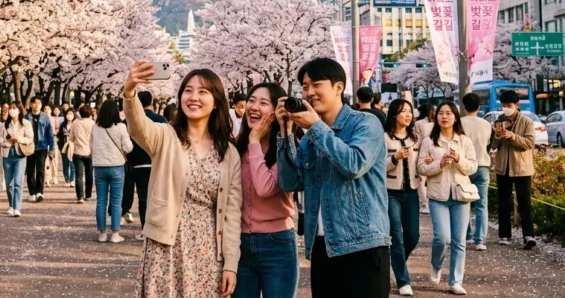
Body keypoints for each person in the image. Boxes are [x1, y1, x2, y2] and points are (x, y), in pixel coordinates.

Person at [123, 62, 241, 298]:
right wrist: (129, 92)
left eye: (202, 91)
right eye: (188, 90)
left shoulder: (228, 152)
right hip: (165, 245)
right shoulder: (166, 136)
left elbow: (232, 213)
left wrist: (231, 264)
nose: (193, 97)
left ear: (217, 101)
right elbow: (138, 127)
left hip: (208, 249)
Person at [276, 58, 390, 298]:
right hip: (322, 247)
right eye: (305, 87)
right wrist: (285, 133)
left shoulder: (365, 123)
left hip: (363, 245)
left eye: (316, 84)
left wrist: (315, 127)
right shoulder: (310, 138)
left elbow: (353, 164)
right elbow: (290, 182)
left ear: (338, 87)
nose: (309, 92)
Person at [234, 83, 298, 298]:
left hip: (277, 243)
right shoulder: (234, 147)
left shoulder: (286, 149)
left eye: (263, 103)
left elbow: (265, 188)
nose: (254, 107)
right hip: (239, 243)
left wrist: (254, 141)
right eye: (251, 100)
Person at [417, 101, 478, 295]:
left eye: (449, 113)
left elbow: (473, 167)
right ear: (436, 117)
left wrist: (459, 159)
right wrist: (440, 163)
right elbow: (421, 169)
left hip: (461, 194)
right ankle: (436, 264)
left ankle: (455, 281)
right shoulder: (429, 141)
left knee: (459, 240)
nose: (444, 116)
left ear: (455, 117)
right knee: (442, 238)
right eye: (441, 113)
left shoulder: (464, 141)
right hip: (438, 195)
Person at [490, 89, 537, 250]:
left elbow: (529, 144)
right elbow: (492, 146)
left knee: (524, 202)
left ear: (517, 105)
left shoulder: (526, 122)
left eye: (509, 105)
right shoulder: (499, 121)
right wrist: (497, 137)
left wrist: (512, 136)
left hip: (522, 168)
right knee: (504, 202)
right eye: (503, 105)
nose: (506, 108)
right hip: (503, 167)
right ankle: (504, 235)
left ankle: (528, 235)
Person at [383, 98, 420, 297]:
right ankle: (403, 280)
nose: (408, 114)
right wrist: (394, 158)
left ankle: (395, 263)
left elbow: (421, 164)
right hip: (391, 193)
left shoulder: (415, 138)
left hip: (412, 191)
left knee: (413, 236)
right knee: (396, 236)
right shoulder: (384, 138)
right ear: (394, 115)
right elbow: (377, 166)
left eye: (409, 111)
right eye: (403, 111)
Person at [123, 91, 166, 239]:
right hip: (156, 162)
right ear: (152, 102)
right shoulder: (161, 119)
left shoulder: (130, 121)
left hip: (136, 163)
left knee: (143, 198)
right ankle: (158, 229)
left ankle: (145, 230)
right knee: (158, 197)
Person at [91, 99, 133, 243]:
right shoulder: (121, 127)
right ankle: (115, 234)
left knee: (101, 201)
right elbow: (128, 147)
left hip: (99, 167)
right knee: (116, 201)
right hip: (116, 167)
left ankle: (102, 233)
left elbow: (91, 146)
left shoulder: (95, 127)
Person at [461, 93, 492, 251]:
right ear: (479, 107)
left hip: (464, 167)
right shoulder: (486, 124)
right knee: (482, 204)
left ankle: (467, 236)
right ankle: (480, 240)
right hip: (482, 165)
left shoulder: (459, 123)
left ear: (463, 106)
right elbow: (488, 144)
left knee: (464, 202)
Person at [3, 104, 33, 217]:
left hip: (20, 154)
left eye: (14, 108)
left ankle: (17, 207)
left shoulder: (26, 123)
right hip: (7, 154)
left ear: (19, 110)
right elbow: (0, 139)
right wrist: (8, 142)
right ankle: (11, 205)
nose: (12, 110)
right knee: (9, 182)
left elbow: (30, 138)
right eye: (10, 108)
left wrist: (18, 138)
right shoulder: (5, 124)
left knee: (18, 182)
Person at [23, 97, 55, 202]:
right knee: (30, 170)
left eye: (39, 103)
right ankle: (32, 192)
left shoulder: (45, 117)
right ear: (31, 105)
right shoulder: (26, 117)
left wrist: (52, 147)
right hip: (29, 146)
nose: (37, 105)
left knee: (40, 170)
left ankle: (39, 192)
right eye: (35, 103)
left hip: (42, 147)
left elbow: (50, 133)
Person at [70, 105, 96, 203]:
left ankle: (80, 196)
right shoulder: (93, 123)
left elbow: (71, 138)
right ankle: (88, 195)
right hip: (90, 152)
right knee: (89, 174)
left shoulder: (75, 123)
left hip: (78, 152)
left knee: (79, 175)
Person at [414, 102, 436, 214]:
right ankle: (433, 200)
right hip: (435, 152)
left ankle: (424, 204)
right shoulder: (436, 123)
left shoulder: (418, 123)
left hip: (422, 152)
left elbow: (416, 140)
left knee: (422, 179)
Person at [58, 106, 76, 186]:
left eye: (71, 114)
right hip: (64, 146)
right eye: (68, 114)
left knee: (72, 164)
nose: (69, 115)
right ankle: (67, 180)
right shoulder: (62, 125)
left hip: (73, 146)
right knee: (65, 164)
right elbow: (59, 135)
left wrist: (70, 134)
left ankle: (72, 180)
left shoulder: (75, 124)